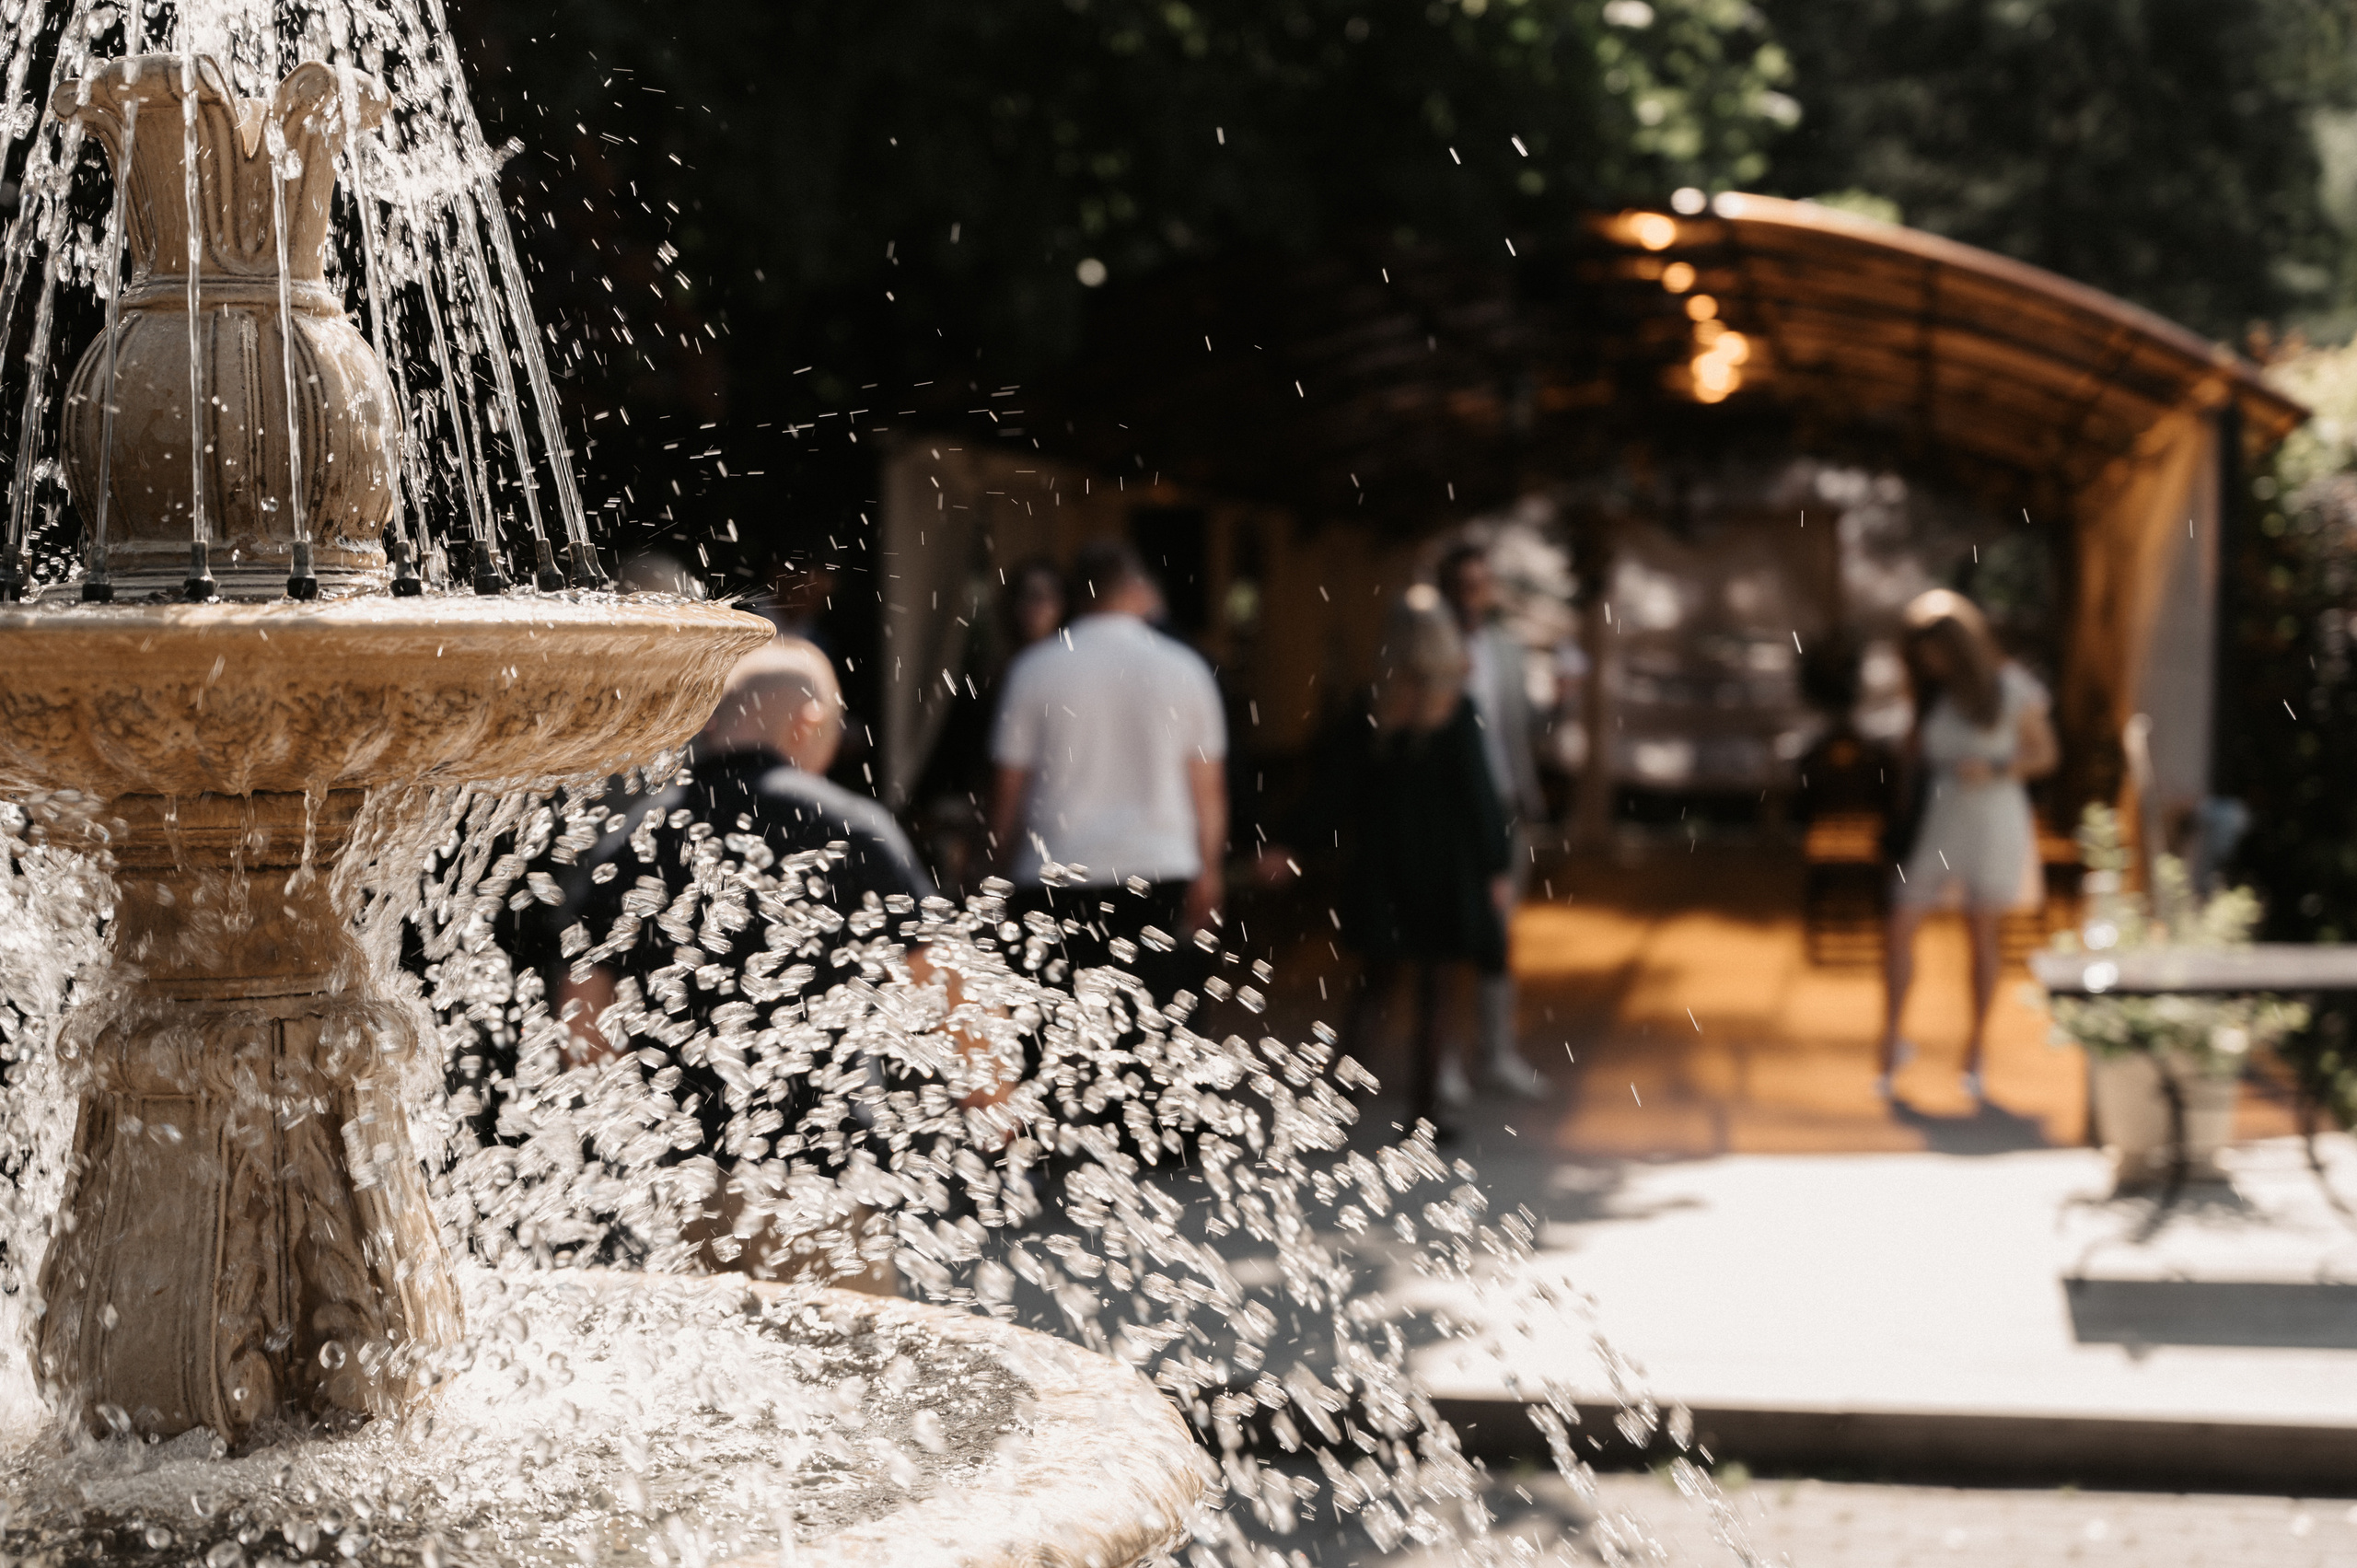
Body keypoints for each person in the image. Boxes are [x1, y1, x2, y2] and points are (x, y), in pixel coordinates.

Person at [559, 638, 953, 1285]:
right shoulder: (850, 828)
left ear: (713, 721)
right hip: (826, 1176)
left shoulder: (639, 836)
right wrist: (993, 1097)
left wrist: (623, 1126)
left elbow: (583, 1003)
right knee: (846, 1375)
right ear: (808, 720)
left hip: (687, 1179)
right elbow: (939, 977)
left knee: (708, 1380)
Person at [1260, 587, 1513, 1132]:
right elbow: (1480, 800)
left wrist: (1291, 841)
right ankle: (1424, 1112)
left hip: (1385, 865)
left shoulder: (1374, 711)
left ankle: (1336, 1100)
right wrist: (1496, 866)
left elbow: (1334, 789)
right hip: (1445, 869)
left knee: (1373, 987)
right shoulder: (1456, 712)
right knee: (1435, 991)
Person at [987, 538, 1226, 1004]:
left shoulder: (1035, 670)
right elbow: (1207, 790)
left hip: (1054, 873)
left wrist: (993, 870)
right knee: (1153, 1039)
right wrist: (1209, 871)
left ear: (1079, 597)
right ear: (1136, 590)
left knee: (1055, 1044)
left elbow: (1009, 793)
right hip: (1157, 868)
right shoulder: (1185, 668)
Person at [1877, 590, 2059, 1102]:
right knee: (1902, 922)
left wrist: (1996, 767)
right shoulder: (1930, 695)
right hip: (1937, 820)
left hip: (1993, 817)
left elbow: (2045, 755)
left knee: (1980, 932)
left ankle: (1975, 1051)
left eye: (1932, 652)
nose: (1927, 663)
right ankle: (1890, 1042)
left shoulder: (2011, 689)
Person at [1435, 541, 1549, 1101]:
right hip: (1450, 813)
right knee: (1452, 936)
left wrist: (1563, 698)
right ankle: (1446, 1059)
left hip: (1503, 804)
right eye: (1462, 586)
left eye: (1479, 585)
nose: (1471, 597)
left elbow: (1524, 725)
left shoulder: (1505, 648)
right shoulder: (1431, 646)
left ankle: (1497, 1051)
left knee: (1499, 934)